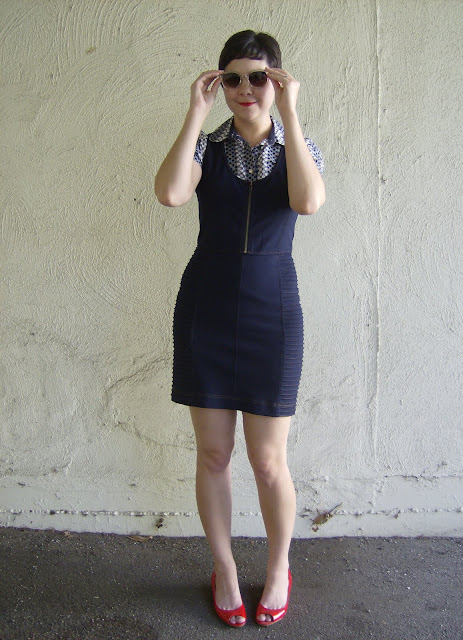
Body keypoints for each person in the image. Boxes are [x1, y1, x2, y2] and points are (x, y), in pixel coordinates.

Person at [154, 30, 325, 628]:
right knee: (213, 453)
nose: (245, 89)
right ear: (219, 83)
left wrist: (291, 115)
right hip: (206, 304)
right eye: (232, 78)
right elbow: (170, 193)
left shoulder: (299, 145)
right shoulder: (206, 146)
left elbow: (308, 202)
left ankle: (279, 567)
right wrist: (195, 112)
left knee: (269, 461)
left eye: (259, 77)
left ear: (277, 81)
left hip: (271, 311)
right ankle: (224, 569)